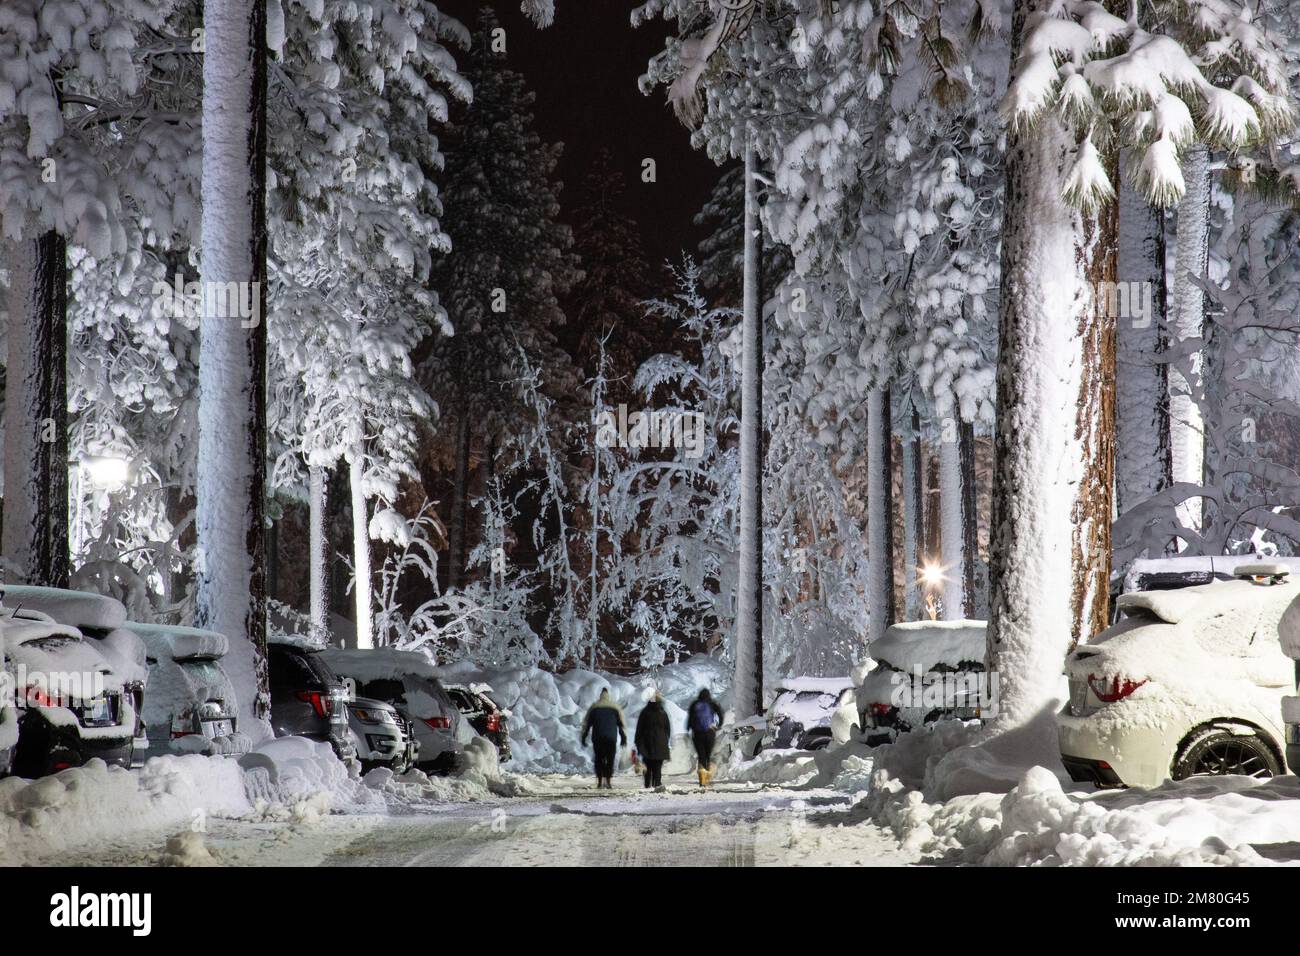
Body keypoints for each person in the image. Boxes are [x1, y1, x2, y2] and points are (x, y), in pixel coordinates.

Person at [580, 688, 627, 789]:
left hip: (598, 738)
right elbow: (621, 725)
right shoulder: (615, 708)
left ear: (600, 696)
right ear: (608, 697)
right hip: (611, 739)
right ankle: (608, 781)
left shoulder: (594, 707)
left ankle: (600, 781)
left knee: (599, 759)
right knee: (610, 760)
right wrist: (623, 737)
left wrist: (584, 736)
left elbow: (586, 724)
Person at [686, 688, 724, 787]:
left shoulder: (695, 704)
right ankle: (706, 778)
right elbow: (720, 713)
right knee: (707, 756)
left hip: (697, 734)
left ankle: (702, 779)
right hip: (710, 733)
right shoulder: (712, 703)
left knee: (701, 756)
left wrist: (689, 728)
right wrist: (719, 725)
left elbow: (689, 718)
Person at [634, 691, 671, 789]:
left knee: (648, 764)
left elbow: (639, 728)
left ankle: (647, 784)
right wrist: (666, 740)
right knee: (658, 766)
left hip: (647, 742)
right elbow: (668, 729)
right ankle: (657, 784)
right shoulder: (663, 713)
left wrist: (637, 741)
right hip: (660, 742)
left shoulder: (645, 712)